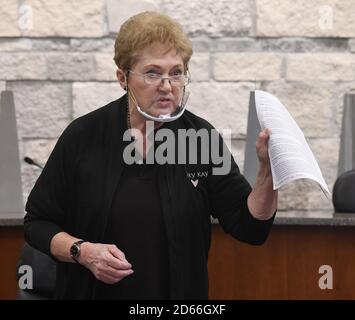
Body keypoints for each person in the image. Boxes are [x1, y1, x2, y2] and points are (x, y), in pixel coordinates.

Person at [24, 11, 278, 300]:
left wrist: (267, 173)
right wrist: (81, 251)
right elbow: (37, 224)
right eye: (153, 73)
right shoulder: (83, 136)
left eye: (176, 72)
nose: (167, 85)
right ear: (123, 77)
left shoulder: (200, 139)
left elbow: (250, 228)